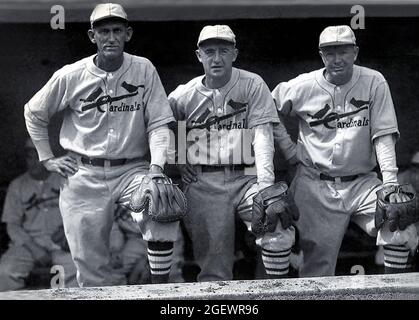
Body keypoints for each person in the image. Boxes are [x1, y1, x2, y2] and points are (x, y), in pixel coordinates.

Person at [24, 3, 181, 286]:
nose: (111, 37)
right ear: (92, 36)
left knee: (161, 206)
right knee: (89, 262)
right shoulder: (71, 75)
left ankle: (161, 290)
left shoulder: (143, 69)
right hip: (83, 173)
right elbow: (34, 112)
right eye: (104, 31)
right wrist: (47, 158)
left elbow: (159, 123)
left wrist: (157, 167)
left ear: (128, 34)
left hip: (132, 169)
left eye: (117, 30)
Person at [271, 25, 418, 277]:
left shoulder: (374, 81)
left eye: (343, 51)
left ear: (355, 52)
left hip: (362, 182)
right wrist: (288, 150)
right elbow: (265, 109)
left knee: (399, 223)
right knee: (316, 269)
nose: (337, 59)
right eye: (330, 53)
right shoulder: (303, 85)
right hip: (315, 185)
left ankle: (394, 294)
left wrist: (390, 184)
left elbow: (383, 134)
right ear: (321, 55)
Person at [169, 25, 298, 281]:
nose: (216, 58)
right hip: (204, 182)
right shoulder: (184, 94)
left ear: (235, 54)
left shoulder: (252, 84)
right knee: (214, 269)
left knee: (277, 227)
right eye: (210, 52)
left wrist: (265, 187)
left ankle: (276, 294)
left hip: (247, 178)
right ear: (199, 56)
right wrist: (177, 156)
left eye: (223, 51)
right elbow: (160, 125)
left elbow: (263, 135)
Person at [0, 138, 77, 291]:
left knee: (77, 269)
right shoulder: (17, 185)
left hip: (62, 244)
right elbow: (12, 225)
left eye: (38, 156)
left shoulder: (66, 180)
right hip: (28, 244)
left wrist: (67, 231)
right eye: (29, 157)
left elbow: (78, 214)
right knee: (6, 271)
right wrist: (35, 249)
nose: (33, 162)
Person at [109, 207, 185, 284]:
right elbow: (113, 224)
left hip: (165, 234)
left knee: (171, 272)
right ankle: (119, 294)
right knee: (116, 269)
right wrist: (115, 248)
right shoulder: (116, 199)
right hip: (136, 238)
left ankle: (178, 294)